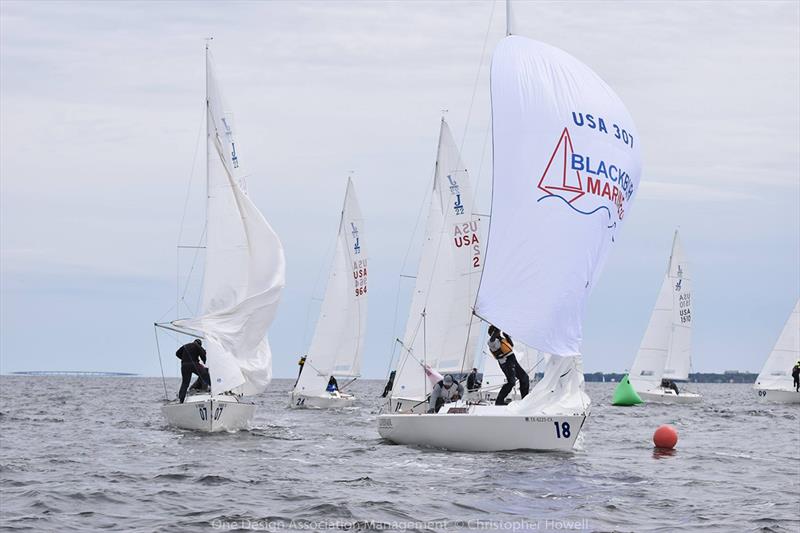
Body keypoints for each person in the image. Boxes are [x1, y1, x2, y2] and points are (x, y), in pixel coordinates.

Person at [488, 325, 529, 405]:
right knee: (511, 382)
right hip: (506, 362)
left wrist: (506, 335)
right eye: (497, 331)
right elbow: (495, 333)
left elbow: (511, 345)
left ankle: (525, 400)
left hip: (512, 360)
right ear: (493, 333)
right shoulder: (491, 342)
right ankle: (499, 401)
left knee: (524, 377)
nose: (499, 332)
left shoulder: (502, 339)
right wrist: (498, 324)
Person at [175, 339, 210, 403]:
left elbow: (177, 353)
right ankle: (214, 391)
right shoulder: (197, 346)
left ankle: (181, 400)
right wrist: (204, 360)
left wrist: (183, 358)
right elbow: (203, 354)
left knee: (185, 383)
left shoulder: (185, 345)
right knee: (205, 375)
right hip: (194, 364)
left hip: (184, 365)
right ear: (199, 344)